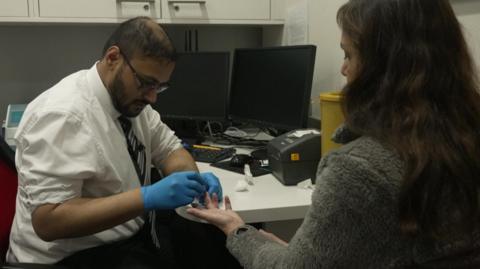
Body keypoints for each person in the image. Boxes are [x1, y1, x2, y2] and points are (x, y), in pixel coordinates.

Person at [187, 0, 480, 267]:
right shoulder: (465, 138)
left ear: (384, 68)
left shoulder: (359, 168)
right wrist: (300, 253)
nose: (343, 69)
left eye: (348, 54)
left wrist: (237, 230)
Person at [6, 16, 223, 268]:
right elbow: (49, 221)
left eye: (160, 87)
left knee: (214, 245)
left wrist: (192, 181)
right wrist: (147, 197)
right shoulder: (61, 115)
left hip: (125, 237)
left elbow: (170, 149)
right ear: (113, 58)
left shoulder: (132, 104)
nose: (153, 97)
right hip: (69, 256)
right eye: (146, 83)